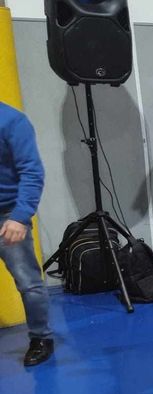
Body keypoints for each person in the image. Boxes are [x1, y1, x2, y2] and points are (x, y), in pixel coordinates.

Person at [0, 102, 52, 367]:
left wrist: (20, 217)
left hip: (8, 214)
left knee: (28, 283)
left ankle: (41, 338)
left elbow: (32, 171)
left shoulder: (12, 121)